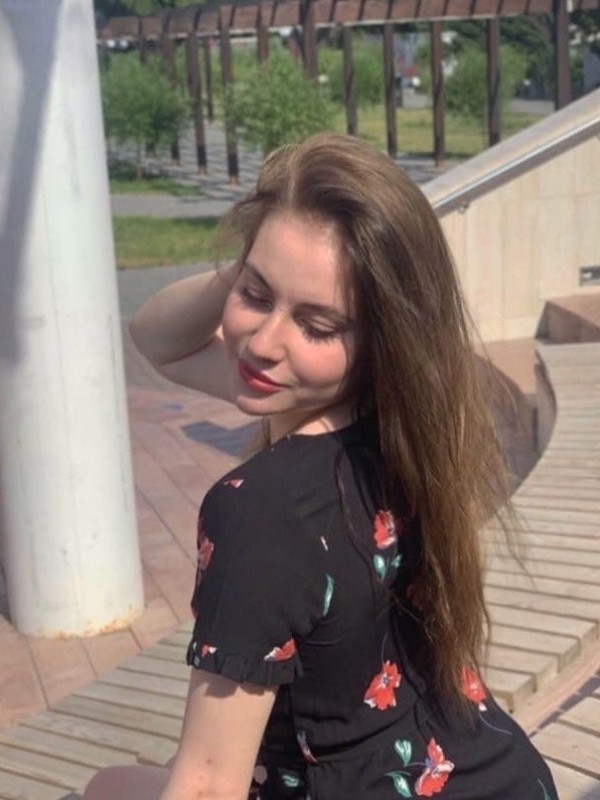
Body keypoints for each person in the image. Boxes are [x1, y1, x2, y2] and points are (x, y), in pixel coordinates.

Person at [84, 133, 558, 800]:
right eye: (255, 294)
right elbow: (156, 338)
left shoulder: (260, 510)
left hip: (354, 782)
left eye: (318, 325)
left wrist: (267, 273)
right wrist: (272, 260)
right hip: (495, 772)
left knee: (106, 788)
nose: (263, 343)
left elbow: (206, 789)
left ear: (382, 341)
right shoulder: (404, 423)